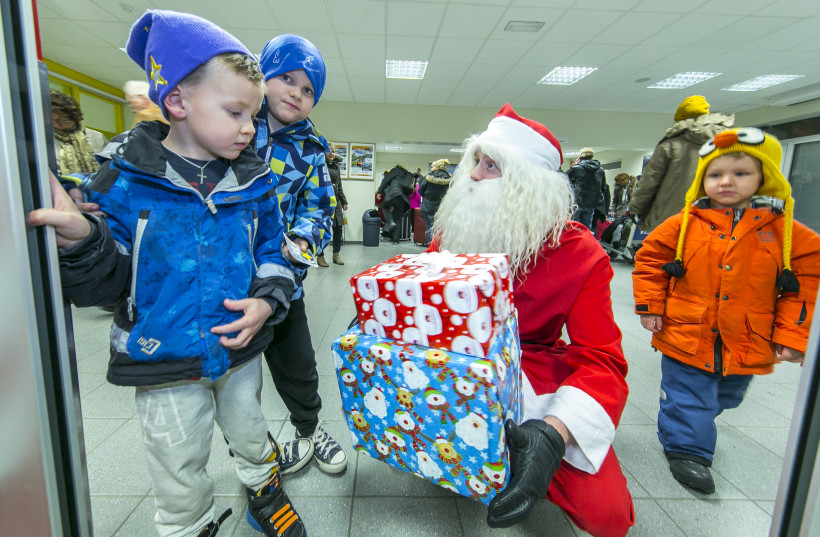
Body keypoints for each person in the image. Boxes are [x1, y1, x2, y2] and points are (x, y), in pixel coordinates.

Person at [28, 10, 307, 537]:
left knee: (252, 433)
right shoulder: (121, 183)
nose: (250, 128)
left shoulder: (254, 181)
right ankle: (188, 525)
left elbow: (276, 249)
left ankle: (264, 491)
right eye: (235, 111)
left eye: (253, 115)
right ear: (177, 101)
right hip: (162, 356)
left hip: (239, 351)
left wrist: (268, 300)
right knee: (176, 460)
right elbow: (105, 282)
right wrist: (84, 244)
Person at [430, 103, 634, 537]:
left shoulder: (580, 254)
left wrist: (553, 434)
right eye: (476, 162)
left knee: (607, 516)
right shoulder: (457, 230)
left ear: (529, 186)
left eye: (492, 166)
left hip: (533, 366)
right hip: (453, 359)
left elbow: (602, 362)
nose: (474, 176)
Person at [632, 127, 820, 495]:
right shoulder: (685, 224)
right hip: (687, 331)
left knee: (726, 395)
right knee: (689, 395)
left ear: (767, 177)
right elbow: (650, 259)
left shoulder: (786, 234)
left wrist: (793, 335)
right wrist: (650, 306)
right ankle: (687, 451)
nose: (726, 182)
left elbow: (807, 284)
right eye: (715, 175)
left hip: (749, 337)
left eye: (741, 173)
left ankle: (693, 420)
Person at [255, 34, 348, 476]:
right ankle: (253, 455)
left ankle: (309, 428)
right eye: (287, 78)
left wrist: (305, 241)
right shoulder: (231, 122)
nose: (296, 92)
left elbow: (319, 206)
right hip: (220, 275)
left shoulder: (311, 147)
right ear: (262, 76)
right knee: (233, 382)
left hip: (281, 276)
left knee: (298, 364)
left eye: (308, 89)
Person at [630, 95, 734, 232]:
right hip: (714, 218)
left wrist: (636, 209)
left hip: (671, 218)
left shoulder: (670, 146)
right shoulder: (729, 144)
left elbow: (649, 182)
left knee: (669, 252)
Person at [50, 90, 107, 175]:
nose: (56, 125)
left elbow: (109, 169)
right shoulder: (47, 139)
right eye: (52, 120)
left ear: (76, 119)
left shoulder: (97, 138)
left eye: (62, 120)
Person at [317, 145, 348, 266]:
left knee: (338, 228)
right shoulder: (320, 165)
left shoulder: (336, 167)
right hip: (323, 201)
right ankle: (320, 256)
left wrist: (344, 201)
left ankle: (336, 254)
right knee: (323, 229)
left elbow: (339, 186)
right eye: (330, 151)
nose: (332, 154)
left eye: (334, 152)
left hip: (336, 202)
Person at [567, 147, 605, 231]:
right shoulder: (600, 170)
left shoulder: (576, 168)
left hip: (577, 202)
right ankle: (585, 244)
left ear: (580, 157)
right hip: (591, 204)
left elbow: (565, 183)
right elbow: (603, 187)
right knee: (587, 228)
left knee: (573, 227)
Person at [376, 164, 415, 243]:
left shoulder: (395, 171)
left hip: (393, 193)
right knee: (398, 218)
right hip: (402, 199)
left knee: (384, 206)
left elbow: (385, 180)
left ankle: (390, 221)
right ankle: (396, 240)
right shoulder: (408, 175)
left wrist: (380, 192)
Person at [418, 158, 451, 246]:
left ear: (436, 167)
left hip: (429, 207)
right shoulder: (449, 178)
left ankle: (431, 247)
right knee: (441, 228)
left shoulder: (429, 177)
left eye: (432, 167)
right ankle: (441, 246)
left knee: (430, 227)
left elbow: (420, 191)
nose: (431, 168)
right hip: (443, 207)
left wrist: (427, 195)